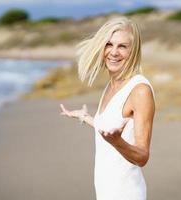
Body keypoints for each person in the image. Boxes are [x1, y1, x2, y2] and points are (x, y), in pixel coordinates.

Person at [60, 17, 155, 200]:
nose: (113, 52)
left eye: (122, 46)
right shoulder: (111, 85)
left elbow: (142, 156)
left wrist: (116, 142)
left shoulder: (140, 90)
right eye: (109, 44)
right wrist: (86, 118)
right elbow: (112, 129)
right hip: (106, 192)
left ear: (133, 51)